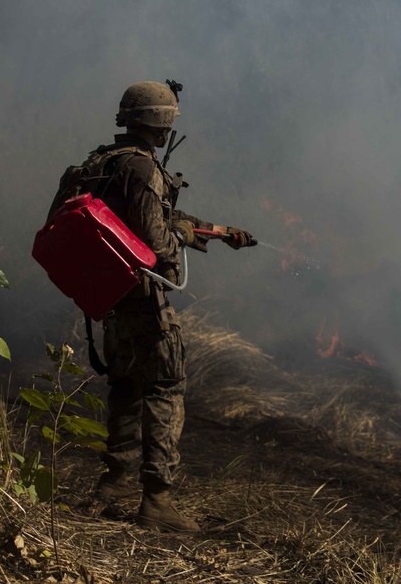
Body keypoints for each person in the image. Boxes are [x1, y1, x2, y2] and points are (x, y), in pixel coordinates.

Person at [46, 80, 256, 532]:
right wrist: (180, 236)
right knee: (164, 387)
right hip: (144, 297)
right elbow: (158, 240)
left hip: (113, 299)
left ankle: (114, 483)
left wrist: (219, 231)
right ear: (161, 124)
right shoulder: (141, 169)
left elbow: (143, 219)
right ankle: (157, 500)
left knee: (125, 384)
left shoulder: (100, 162)